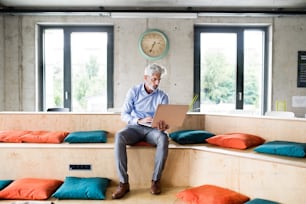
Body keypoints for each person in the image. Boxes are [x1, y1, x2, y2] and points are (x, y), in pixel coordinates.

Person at [112, 63, 170, 199]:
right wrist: (138, 120)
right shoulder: (134, 91)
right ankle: (123, 183)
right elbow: (124, 115)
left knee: (163, 137)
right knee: (119, 135)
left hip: (153, 131)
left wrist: (164, 126)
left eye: (159, 80)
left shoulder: (163, 96)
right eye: (154, 79)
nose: (157, 83)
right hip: (135, 128)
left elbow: (166, 120)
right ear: (146, 77)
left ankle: (156, 181)